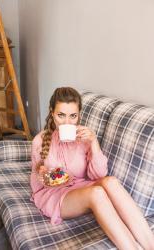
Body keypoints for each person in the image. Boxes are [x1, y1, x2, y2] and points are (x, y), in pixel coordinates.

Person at [30, 87, 154, 250]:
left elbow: (99, 174)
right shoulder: (40, 141)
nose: (67, 122)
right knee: (97, 194)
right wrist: (44, 175)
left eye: (73, 116)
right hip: (53, 194)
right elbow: (38, 184)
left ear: (79, 114)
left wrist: (94, 142)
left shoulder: (84, 138)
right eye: (61, 115)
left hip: (81, 186)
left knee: (111, 182)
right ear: (52, 112)